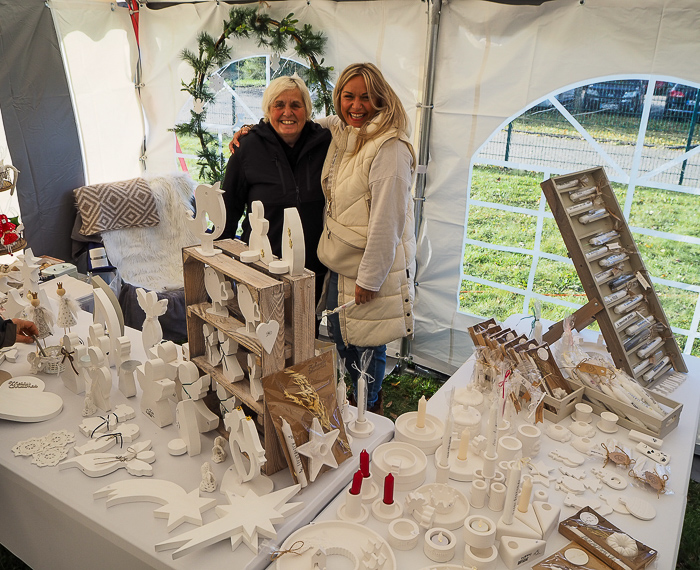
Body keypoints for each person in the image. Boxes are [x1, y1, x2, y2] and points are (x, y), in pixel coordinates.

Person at [316, 63, 416, 414]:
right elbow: (319, 123)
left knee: (368, 344)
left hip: (369, 267)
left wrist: (370, 279)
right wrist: (259, 126)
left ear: (382, 99)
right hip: (342, 261)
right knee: (342, 335)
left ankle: (368, 410)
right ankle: (353, 399)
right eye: (349, 97)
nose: (356, 106)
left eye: (366, 97)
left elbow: (388, 222)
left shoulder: (390, 148)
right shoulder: (348, 133)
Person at [220, 75, 332, 309]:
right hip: (261, 269)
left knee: (305, 328)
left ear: (307, 110)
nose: (287, 112)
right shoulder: (247, 148)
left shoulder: (326, 144)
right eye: (279, 105)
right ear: (268, 110)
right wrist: (222, 269)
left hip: (312, 271)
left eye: (295, 105)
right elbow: (227, 213)